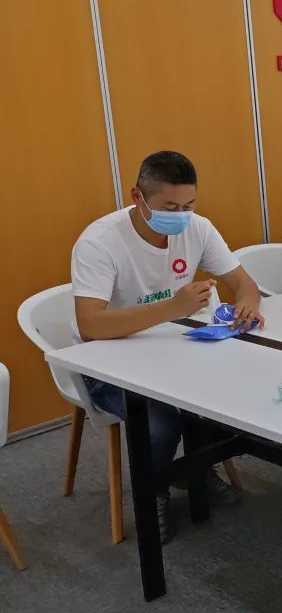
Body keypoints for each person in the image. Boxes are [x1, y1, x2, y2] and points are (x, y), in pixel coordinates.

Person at [72, 151, 264, 543]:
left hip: (179, 349)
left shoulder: (198, 228)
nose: (180, 215)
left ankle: (196, 470)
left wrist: (248, 305)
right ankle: (153, 491)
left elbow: (244, 284)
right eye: (169, 207)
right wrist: (172, 307)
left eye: (188, 205)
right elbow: (90, 325)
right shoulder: (99, 242)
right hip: (110, 363)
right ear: (137, 197)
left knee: (239, 393)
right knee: (159, 424)